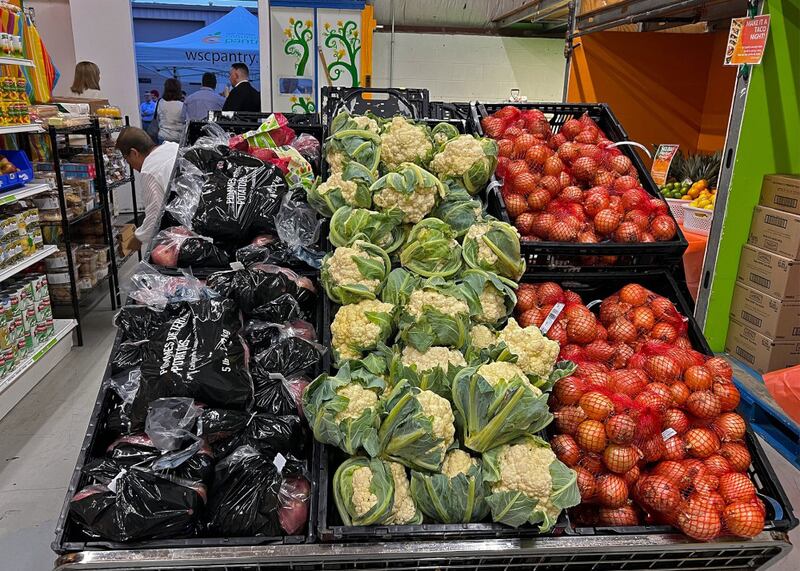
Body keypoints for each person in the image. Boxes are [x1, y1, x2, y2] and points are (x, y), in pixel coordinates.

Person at [116, 127, 179, 250]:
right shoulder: (171, 147)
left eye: (129, 161)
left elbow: (155, 214)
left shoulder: (150, 170)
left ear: (134, 153)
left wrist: (138, 239)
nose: (133, 167)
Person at [156, 78, 185, 143]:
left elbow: (158, 119)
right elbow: (185, 122)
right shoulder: (182, 105)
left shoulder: (160, 102)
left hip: (163, 135)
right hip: (177, 137)